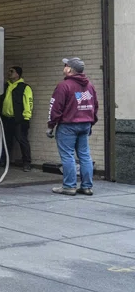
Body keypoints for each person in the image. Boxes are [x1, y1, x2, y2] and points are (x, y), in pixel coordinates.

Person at [47, 57, 98, 196]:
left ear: (69, 69)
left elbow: (55, 108)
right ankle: (87, 187)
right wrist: (91, 123)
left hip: (68, 125)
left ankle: (69, 186)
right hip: (85, 124)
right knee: (85, 155)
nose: (64, 67)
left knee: (67, 155)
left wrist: (51, 125)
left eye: (65, 65)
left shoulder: (64, 86)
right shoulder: (90, 86)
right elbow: (95, 106)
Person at [0, 66, 33, 171]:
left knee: (22, 140)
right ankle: (3, 161)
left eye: (12, 71)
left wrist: (26, 118)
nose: (9, 73)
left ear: (18, 74)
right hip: (5, 118)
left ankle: (26, 163)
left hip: (19, 119)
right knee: (6, 141)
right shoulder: (5, 86)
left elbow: (29, 103)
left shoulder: (24, 87)